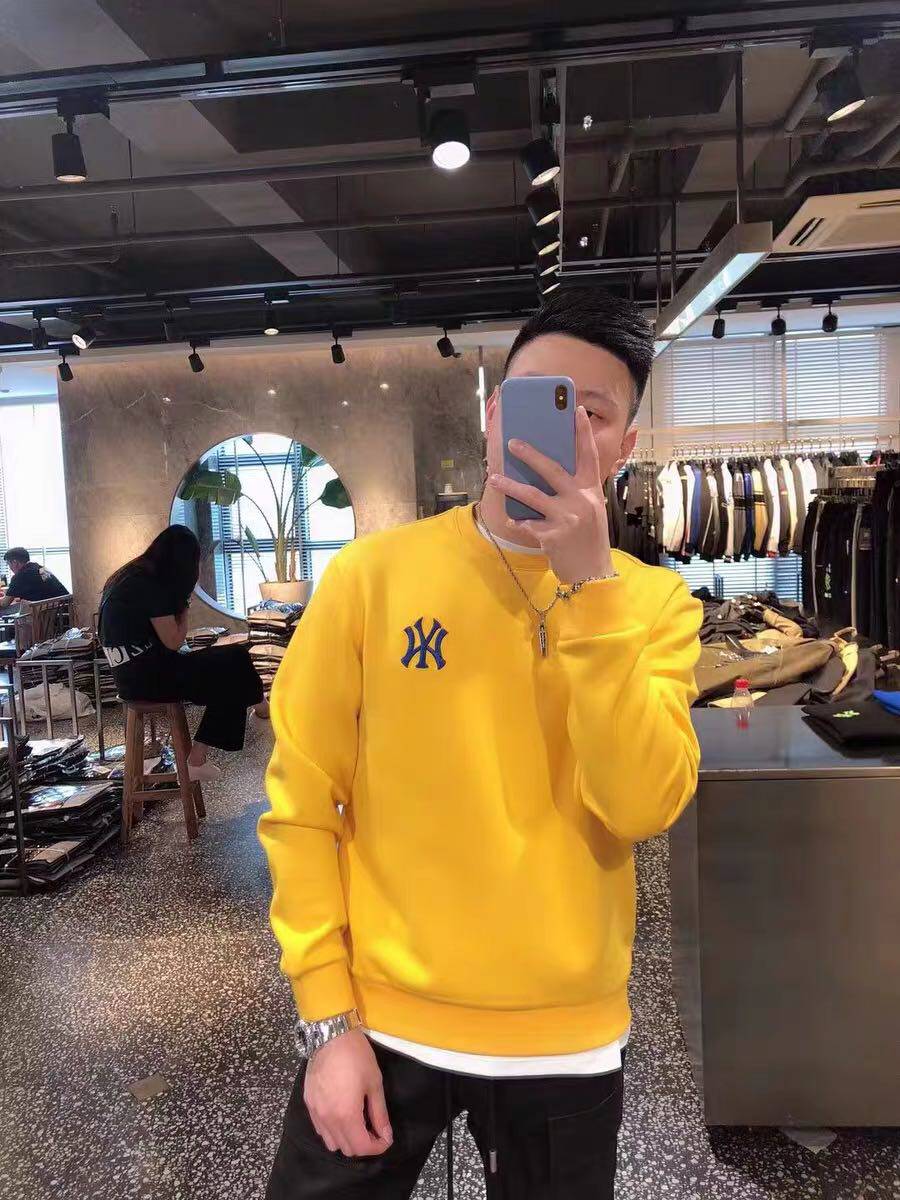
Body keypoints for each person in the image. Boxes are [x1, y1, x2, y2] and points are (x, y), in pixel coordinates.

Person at [259, 288, 702, 1199]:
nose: (565, 427)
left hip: (565, 1040)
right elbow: (302, 803)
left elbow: (642, 806)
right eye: (542, 399)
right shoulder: (371, 578)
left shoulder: (653, 605)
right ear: (495, 412)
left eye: (594, 412)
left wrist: (592, 593)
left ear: (624, 447)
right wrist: (326, 1021)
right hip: (378, 1019)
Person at [99, 525, 268, 782]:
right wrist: (185, 604)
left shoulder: (129, 577)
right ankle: (255, 712)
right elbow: (174, 641)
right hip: (149, 680)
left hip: (131, 677)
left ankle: (257, 709)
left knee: (231, 664)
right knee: (235, 661)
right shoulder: (150, 587)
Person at [0, 547, 69, 607]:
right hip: (64, 610)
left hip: (45, 615)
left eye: (9, 564)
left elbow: (4, 603)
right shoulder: (41, 569)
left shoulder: (19, 576)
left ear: (15, 562)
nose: (10, 568)